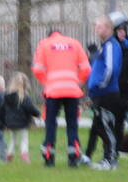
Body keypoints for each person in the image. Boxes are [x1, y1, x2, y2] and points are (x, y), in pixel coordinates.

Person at [32, 29, 91, 167]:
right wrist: (78, 82)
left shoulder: (44, 44)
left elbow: (37, 69)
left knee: (50, 124)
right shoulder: (75, 43)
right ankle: (73, 157)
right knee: (72, 125)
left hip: (53, 91)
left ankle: (49, 157)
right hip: (72, 90)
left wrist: (47, 82)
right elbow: (86, 68)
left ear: (50, 35)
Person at [86, 15, 124, 171]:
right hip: (99, 93)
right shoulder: (103, 46)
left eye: (100, 26)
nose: (97, 28)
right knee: (99, 125)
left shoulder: (110, 45)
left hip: (106, 93)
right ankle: (105, 158)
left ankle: (110, 160)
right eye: (96, 25)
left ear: (109, 28)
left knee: (106, 126)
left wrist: (101, 85)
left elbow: (111, 68)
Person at [3, 72, 41, 163]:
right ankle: (24, 155)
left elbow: (3, 109)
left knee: (13, 139)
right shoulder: (24, 97)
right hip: (23, 123)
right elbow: (30, 108)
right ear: (25, 84)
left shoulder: (7, 97)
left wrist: (4, 121)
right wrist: (38, 114)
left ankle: (9, 155)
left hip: (10, 123)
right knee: (24, 139)